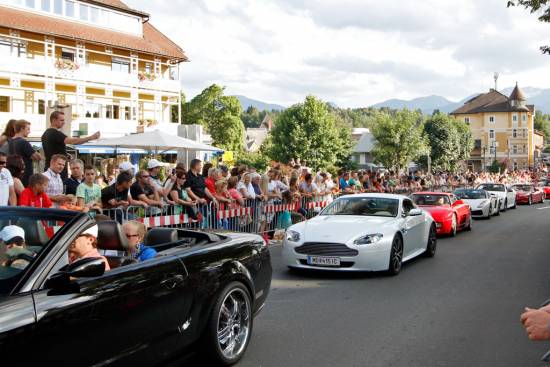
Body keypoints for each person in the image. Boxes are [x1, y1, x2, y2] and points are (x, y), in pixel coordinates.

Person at [41, 111, 100, 178]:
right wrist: (91, 137)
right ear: (54, 120)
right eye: (61, 120)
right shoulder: (55, 133)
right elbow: (73, 141)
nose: (64, 122)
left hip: (50, 168)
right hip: (57, 170)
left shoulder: (45, 134)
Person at [8, 119, 41, 186]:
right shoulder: (23, 142)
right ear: (22, 129)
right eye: (28, 129)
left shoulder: (11, 141)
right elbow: (37, 157)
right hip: (25, 175)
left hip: (14, 174)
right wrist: (37, 153)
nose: (29, 131)